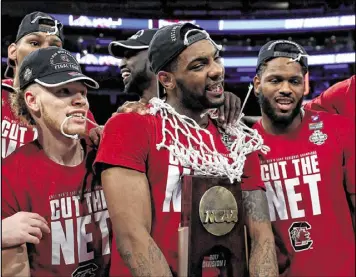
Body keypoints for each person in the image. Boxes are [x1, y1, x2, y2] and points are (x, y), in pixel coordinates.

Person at [95, 23, 278, 277]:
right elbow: (133, 239)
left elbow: (262, 237)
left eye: (216, 58)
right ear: (167, 80)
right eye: (198, 65)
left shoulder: (237, 140)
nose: (216, 71)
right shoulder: (131, 126)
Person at [2, 47, 112, 276]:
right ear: (32, 100)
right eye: (64, 91)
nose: (80, 100)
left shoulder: (107, 155)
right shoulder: (12, 173)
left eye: (83, 92)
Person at [252, 40, 355, 276]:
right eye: (275, 80)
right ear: (257, 84)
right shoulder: (245, 147)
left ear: (304, 86)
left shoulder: (337, 130)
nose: (286, 88)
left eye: (294, 81)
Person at [2, 11, 96, 159]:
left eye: (54, 46)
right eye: (34, 43)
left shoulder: (75, 106)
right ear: (13, 51)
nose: (45, 50)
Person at [109, 28, 242, 129]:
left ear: (154, 59)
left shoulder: (216, 111)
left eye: (130, 54)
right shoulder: (130, 116)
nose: (122, 63)